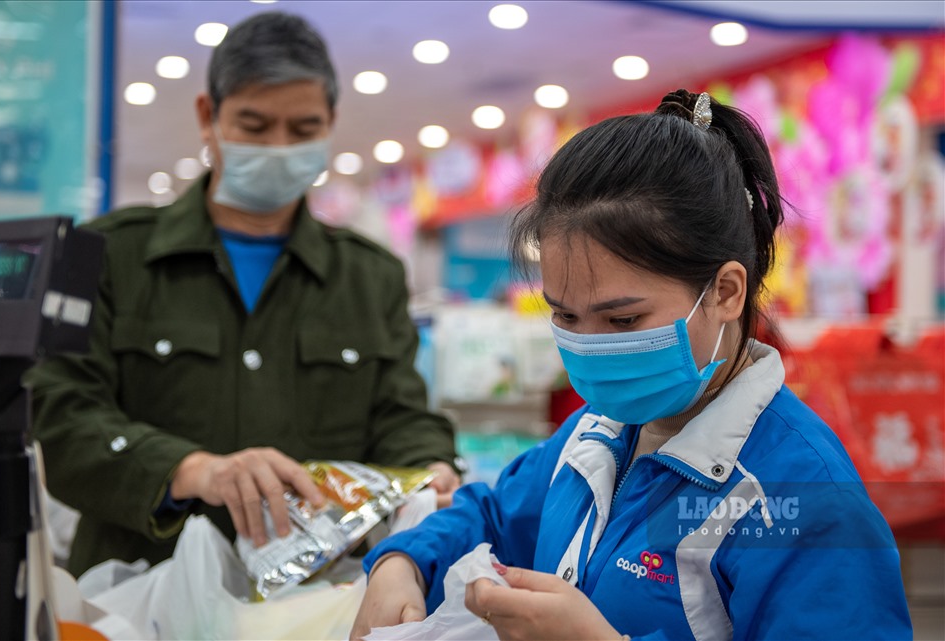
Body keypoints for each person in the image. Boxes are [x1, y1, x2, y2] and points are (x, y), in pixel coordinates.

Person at [350, 90, 912, 640]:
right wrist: (402, 559)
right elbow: (494, 514)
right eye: (566, 317)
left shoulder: (804, 501)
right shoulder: (595, 435)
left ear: (726, 292)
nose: (590, 347)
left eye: (622, 321)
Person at [24, 11, 461, 577]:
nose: (279, 148)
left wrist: (428, 469)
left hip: (315, 600)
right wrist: (193, 470)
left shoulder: (370, 275)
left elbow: (402, 416)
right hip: (136, 593)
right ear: (208, 116)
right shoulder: (107, 254)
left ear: (329, 123)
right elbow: (61, 417)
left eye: (302, 130)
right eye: (254, 126)